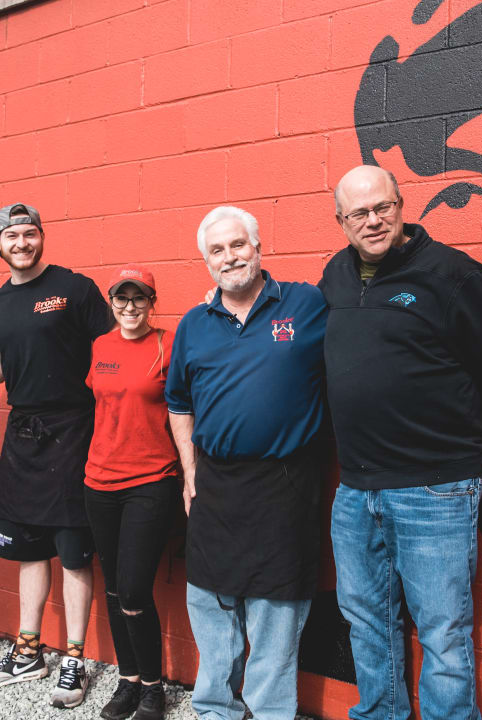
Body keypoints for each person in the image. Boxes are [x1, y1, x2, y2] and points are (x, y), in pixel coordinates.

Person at [320, 165, 482, 720]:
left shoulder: (451, 275)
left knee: (442, 632)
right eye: (359, 212)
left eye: (382, 207)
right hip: (357, 489)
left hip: (434, 490)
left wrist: (460, 451)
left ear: (402, 206)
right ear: (341, 222)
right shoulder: (335, 277)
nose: (373, 220)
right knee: (365, 621)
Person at [165, 206, 328, 720]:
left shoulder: (306, 304)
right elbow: (179, 404)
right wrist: (190, 471)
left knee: (277, 615)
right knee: (210, 605)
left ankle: (271, 712)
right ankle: (216, 710)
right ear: (205, 262)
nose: (229, 256)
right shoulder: (194, 323)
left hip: (286, 484)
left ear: (259, 247)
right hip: (215, 484)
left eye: (238, 245)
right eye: (217, 250)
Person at [0, 203, 115, 709]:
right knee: (28, 548)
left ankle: (74, 657)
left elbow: (110, 351)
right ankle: (29, 650)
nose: (21, 242)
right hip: (23, 433)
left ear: (41, 238)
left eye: (29, 233)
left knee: (75, 551)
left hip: (76, 429)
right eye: (11, 235)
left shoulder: (73, 289)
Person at [84, 264, 179, 720]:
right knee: (115, 591)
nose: (129, 306)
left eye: (139, 298)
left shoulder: (167, 343)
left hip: (151, 481)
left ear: (151, 302)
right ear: (111, 302)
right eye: (121, 298)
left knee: (136, 591)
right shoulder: (100, 346)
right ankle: (128, 680)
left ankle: (154, 689)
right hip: (99, 482)